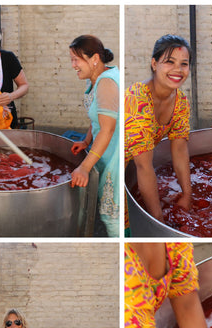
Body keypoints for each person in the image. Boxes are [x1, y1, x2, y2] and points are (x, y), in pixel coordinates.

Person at [125, 35, 193, 232]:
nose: (177, 70)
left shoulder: (180, 101)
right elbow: (144, 166)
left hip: (137, 163)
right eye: (169, 62)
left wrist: (187, 194)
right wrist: (159, 223)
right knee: (129, 226)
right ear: (154, 64)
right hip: (117, 165)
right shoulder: (136, 101)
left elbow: (179, 149)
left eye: (184, 64)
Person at [69, 35, 120, 237]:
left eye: (76, 60)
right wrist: (87, 140)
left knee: (111, 216)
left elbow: (107, 130)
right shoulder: (97, 79)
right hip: (103, 151)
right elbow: (97, 119)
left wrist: (84, 167)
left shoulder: (107, 83)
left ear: (95, 58)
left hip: (113, 156)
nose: (73, 65)